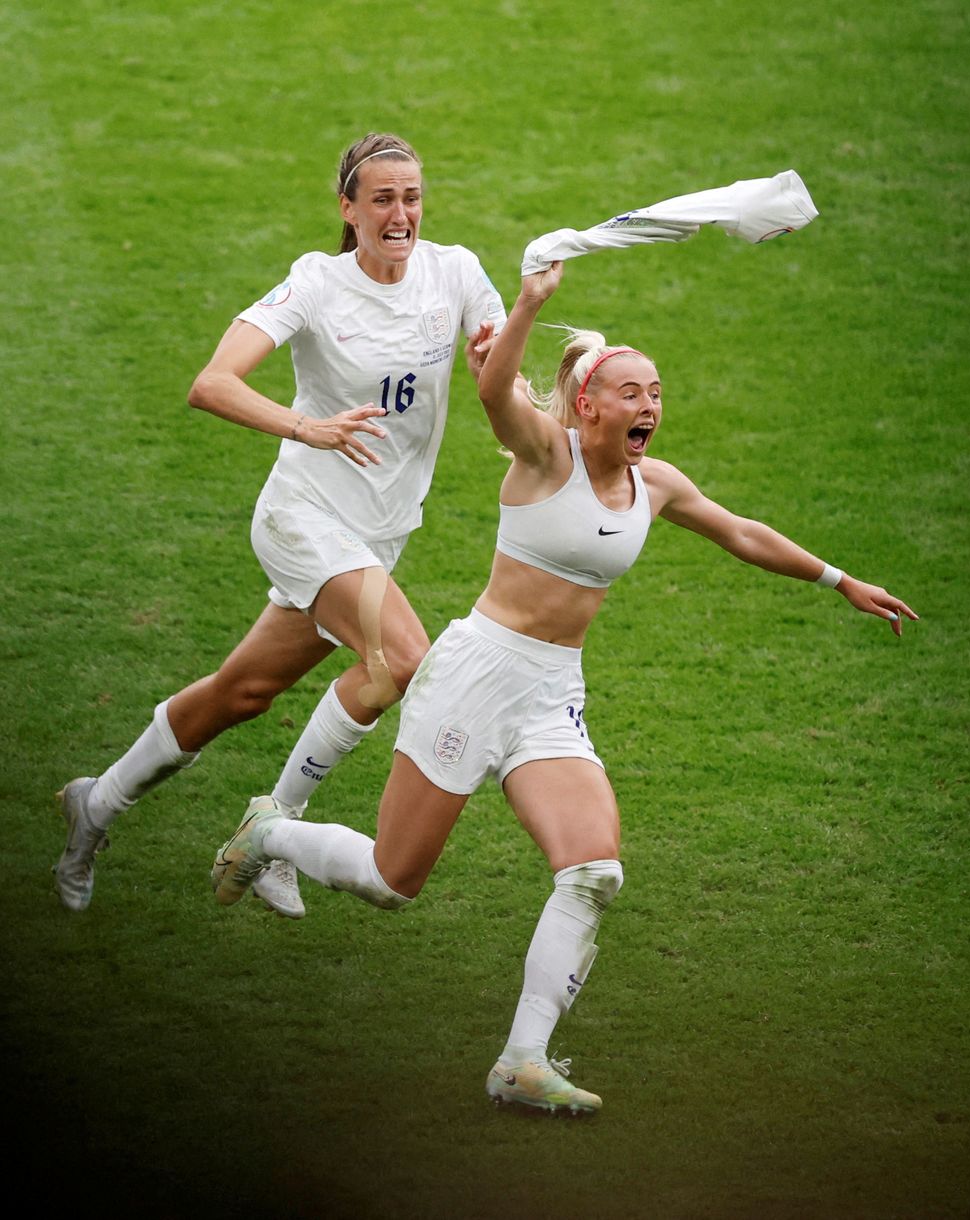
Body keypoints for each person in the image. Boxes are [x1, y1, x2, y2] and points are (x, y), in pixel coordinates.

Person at [209, 260, 917, 1115]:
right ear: (586, 405)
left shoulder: (654, 482)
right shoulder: (543, 456)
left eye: (655, 392)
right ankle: (272, 834)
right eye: (630, 392)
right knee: (393, 883)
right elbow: (495, 390)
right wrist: (531, 304)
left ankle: (522, 1060)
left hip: (551, 692)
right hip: (473, 678)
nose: (649, 405)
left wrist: (838, 579)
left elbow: (739, 531)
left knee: (592, 870)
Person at [54, 132, 506, 918]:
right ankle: (271, 828)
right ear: (349, 209)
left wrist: (520, 348)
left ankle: (95, 805)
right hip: (304, 517)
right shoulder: (316, 284)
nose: (401, 214)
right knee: (400, 658)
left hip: (378, 535)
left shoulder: (456, 272)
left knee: (245, 691)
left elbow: (499, 387)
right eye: (382, 199)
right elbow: (213, 383)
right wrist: (309, 429)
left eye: (412, 197)